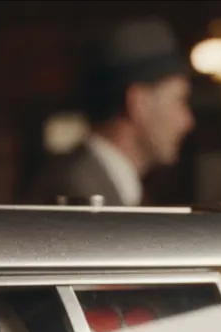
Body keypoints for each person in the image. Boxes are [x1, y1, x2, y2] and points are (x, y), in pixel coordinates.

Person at [26, 18, 194, 206]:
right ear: (138, 103)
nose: (188, 121)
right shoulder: (78, 191)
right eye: (179, 100)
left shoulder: (100, 181)